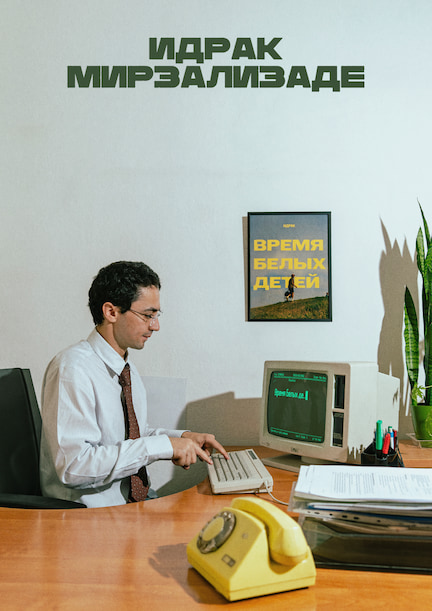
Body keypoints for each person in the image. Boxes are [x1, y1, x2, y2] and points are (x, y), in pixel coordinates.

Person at [40, 261, 229, 508]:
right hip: (90, 516)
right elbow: (75, 467)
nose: (156, 325)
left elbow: (129, 437)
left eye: (157, 315)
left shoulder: (125, 368)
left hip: (130, 504)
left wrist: (181, 437)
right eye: (148, 315)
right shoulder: (73, 369)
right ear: (111, 312)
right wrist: (162, 447)